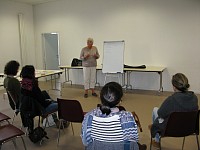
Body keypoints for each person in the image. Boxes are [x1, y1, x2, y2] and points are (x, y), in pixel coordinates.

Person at [81, 82, 146, 149]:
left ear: (101, 98)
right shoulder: (127, 117)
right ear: (120, 101)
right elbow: (133, 140)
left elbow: (85, 141)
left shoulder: (89, 116)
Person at [149, 73, 199, 149]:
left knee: (155, 110)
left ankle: (156, 140)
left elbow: (161, 113)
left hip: (170, 129)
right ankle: (155, 133)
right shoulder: (194, 97)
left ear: (174, 87)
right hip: (189, 128)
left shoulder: (171, 100)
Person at [19, 65, 61, 132]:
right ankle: (57, 121)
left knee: (45, 93)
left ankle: (53, 118)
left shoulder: (23, 84)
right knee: (60, 104)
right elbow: (43, 102)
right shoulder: (33, 85)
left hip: (30, 109)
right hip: (39, 109)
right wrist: (49, 101)